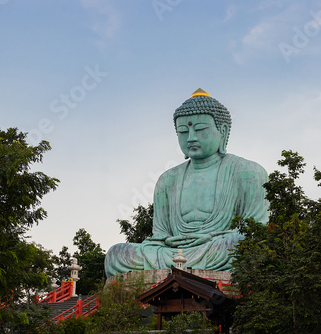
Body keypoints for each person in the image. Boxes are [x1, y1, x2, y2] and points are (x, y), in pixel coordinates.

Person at [104, 89, 268, 277]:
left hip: (219, 250)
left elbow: (256, 231)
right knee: (116, 254)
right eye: (183, 131)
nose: (191, 138)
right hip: (171, 254)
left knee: (249, 246)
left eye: (200, 130)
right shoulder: (168, 180)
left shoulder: (249, 172)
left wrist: (212, 238)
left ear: (222, 131)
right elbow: (160, 235)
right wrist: (168, 241)